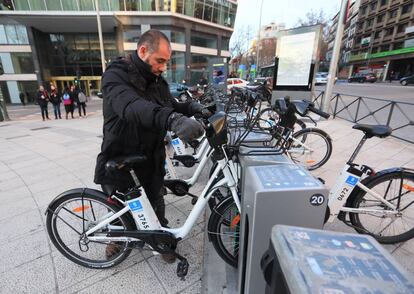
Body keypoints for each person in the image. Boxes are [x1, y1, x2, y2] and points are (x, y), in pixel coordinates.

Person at [94, 30, 204, 263]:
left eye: (166, 61)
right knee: (119, 204)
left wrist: (192, 108)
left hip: (150, 155)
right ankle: (116, 236)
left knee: (155, 197)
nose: (163, 67)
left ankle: (159, 237)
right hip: (121, 154)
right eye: (160, 61)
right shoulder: (116, 76)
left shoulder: (156, 80)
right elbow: (132, 106)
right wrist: (172, 120)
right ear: (143, 51)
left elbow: (169, 104)